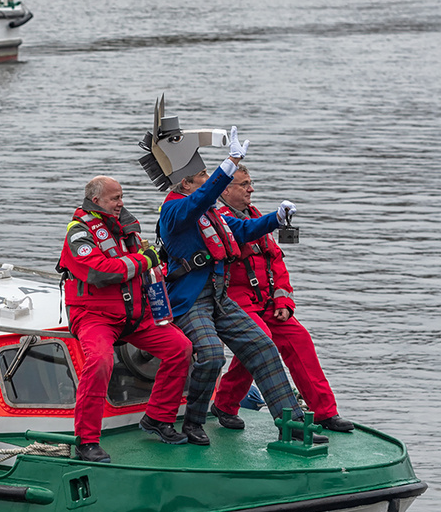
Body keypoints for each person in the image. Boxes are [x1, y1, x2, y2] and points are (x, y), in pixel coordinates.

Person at [156, 133, 320, 445]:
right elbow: (201, 199)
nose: (207, 183)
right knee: (212, 355)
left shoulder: (206, 211)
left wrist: (276, 218)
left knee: (262, 346)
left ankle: (293, 424)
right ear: (185, 184)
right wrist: (231, 163)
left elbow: (243, 229)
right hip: (190, 301)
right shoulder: (175, 211)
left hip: (218, 297)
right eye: (202, 177)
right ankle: (194, 422)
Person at [59, 176, 194, 464]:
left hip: (134, 314)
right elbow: (100, 271)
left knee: (180, 348)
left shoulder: (125, 229)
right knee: (100, 362)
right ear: (96, 201)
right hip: (94, 316)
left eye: (121, 197)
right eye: (114, 198)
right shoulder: (78, 233)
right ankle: (87, 440)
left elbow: (144, 264)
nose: (121, 203)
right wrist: (145, 261)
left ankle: (158, 418)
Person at [210, 166, 354, 433]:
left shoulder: (253, 215)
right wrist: (274, 219)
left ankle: (324, 412)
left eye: (251, 183)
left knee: (299, 340)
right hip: (235, 301)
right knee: (259, 341)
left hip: (265, 301)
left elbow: (275, 261)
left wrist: (284, 303)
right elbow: (243, 232)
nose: (251, 189)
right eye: (244, 184)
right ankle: (227, 403)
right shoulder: (219, 220)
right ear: (225, 190)